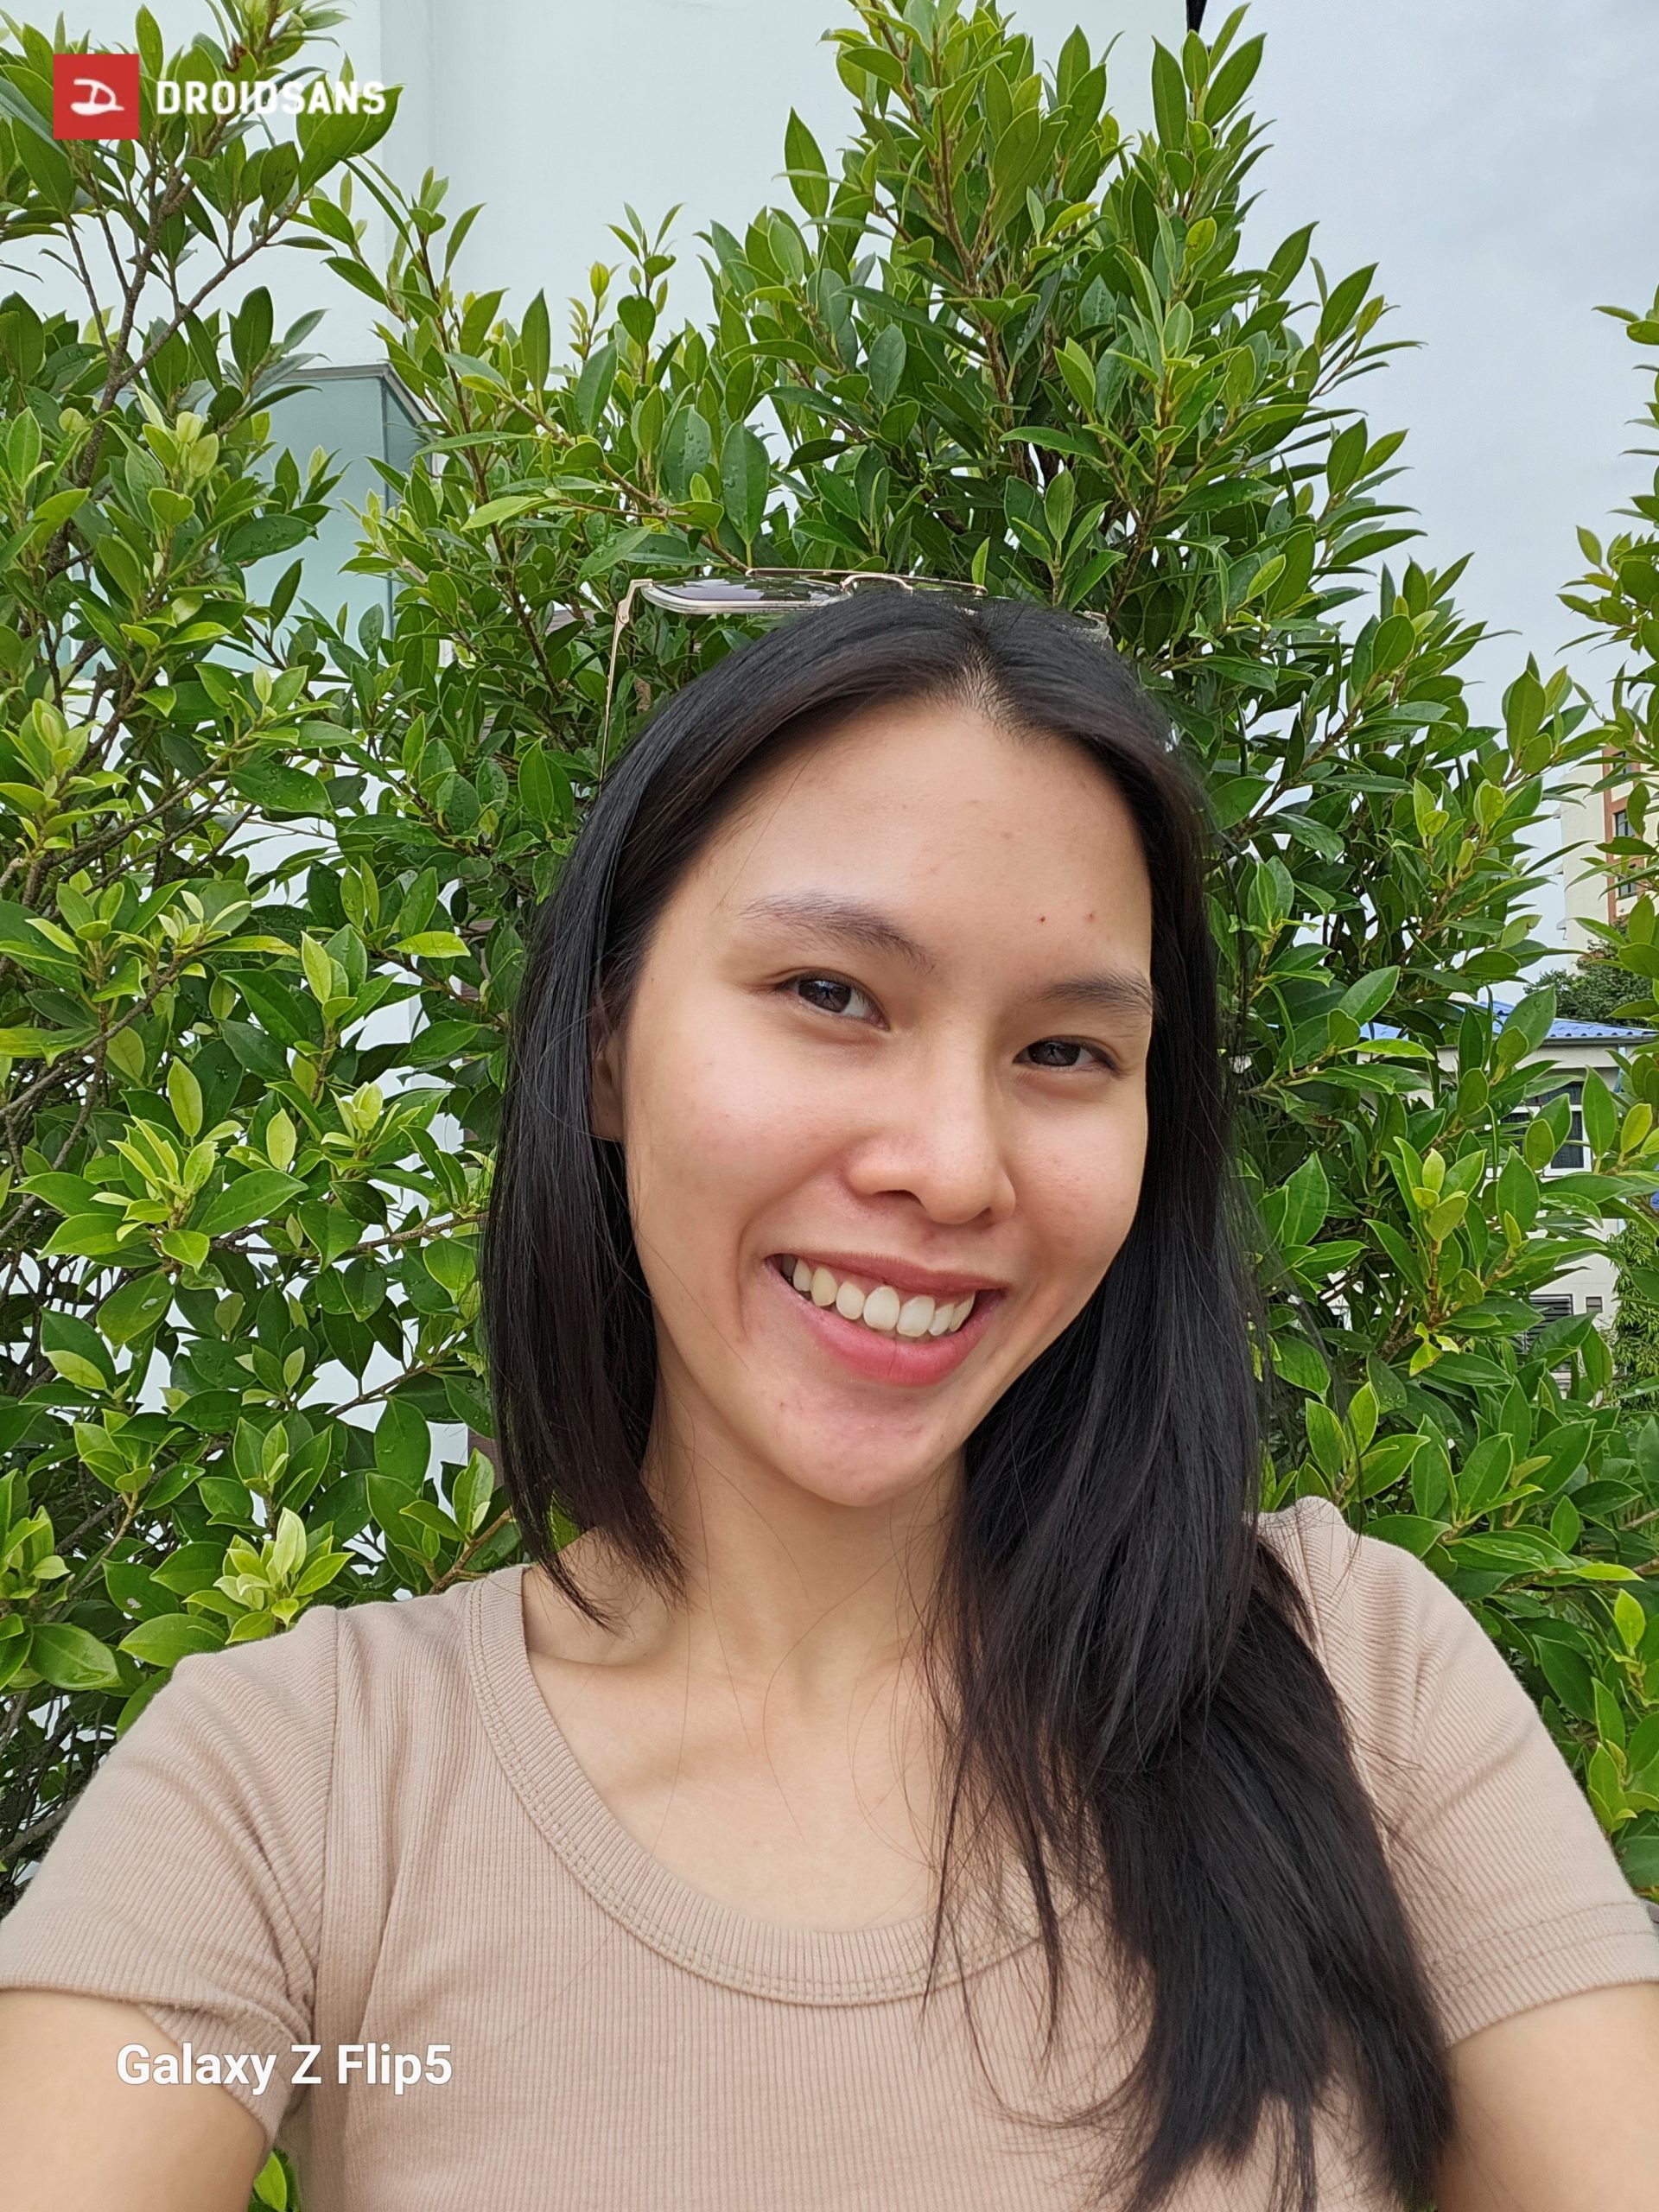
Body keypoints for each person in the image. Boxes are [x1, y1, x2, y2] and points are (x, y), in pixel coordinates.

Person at [0, 589, 1656, 2212]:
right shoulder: (300, 1790)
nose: (953, 1165)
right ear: (604, 1046)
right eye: (831, 995)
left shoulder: (1358, 1685)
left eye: (1067, 1052)